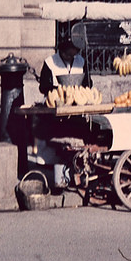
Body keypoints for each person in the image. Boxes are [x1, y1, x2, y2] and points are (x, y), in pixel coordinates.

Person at [36, 39, 93, 191]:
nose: (71, 58)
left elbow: (88, 83)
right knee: (58, 140)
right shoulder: (50, 62)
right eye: (68, 55)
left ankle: (76, 171)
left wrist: (79, 91)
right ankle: (59, 176)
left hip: (76, 106)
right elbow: (44, 86)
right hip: (56, 108)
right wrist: (60, 89)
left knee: (77, 137)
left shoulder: (80, 61)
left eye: (73, 55)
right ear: (61, 52)